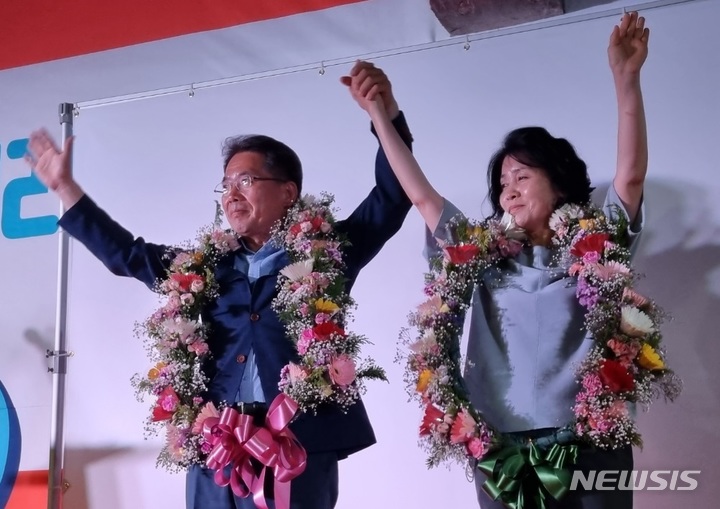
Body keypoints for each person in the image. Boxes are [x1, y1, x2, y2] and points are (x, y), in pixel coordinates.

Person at [25, 61, 413, 509]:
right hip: (216, 447)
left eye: (245, 180)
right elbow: (126, 255)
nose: (230, 194)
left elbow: (392, 196)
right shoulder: (202, 269)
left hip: (297, 448)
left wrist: (386, 115)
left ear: (288, 192)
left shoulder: (325, 255)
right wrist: (65, 188)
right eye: (225, 184)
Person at [350, 11, 649, 509]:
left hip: (591, 441)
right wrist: (381, 117)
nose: (508, 192)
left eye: (522, 177)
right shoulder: (479, 254)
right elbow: (423, 198)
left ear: (558, 182)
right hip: (499, 442)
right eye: (503, 184)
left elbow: (631, 177)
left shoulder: (596, 245)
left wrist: (627, 79)